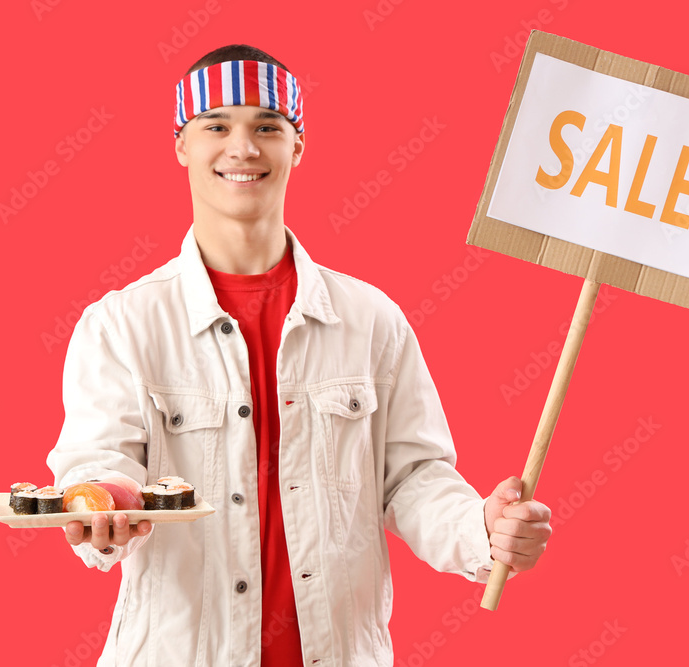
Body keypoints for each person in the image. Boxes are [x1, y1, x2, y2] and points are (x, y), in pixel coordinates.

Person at [46, 43, 552, 667]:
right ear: (182, 145)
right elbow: (98, 465)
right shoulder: (122, 325)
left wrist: (482, 530)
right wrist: (100, 505)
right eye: (216, 126)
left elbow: (413, 479)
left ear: (297, 146)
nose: (243, 147)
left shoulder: (371, 321)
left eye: (267, 126)